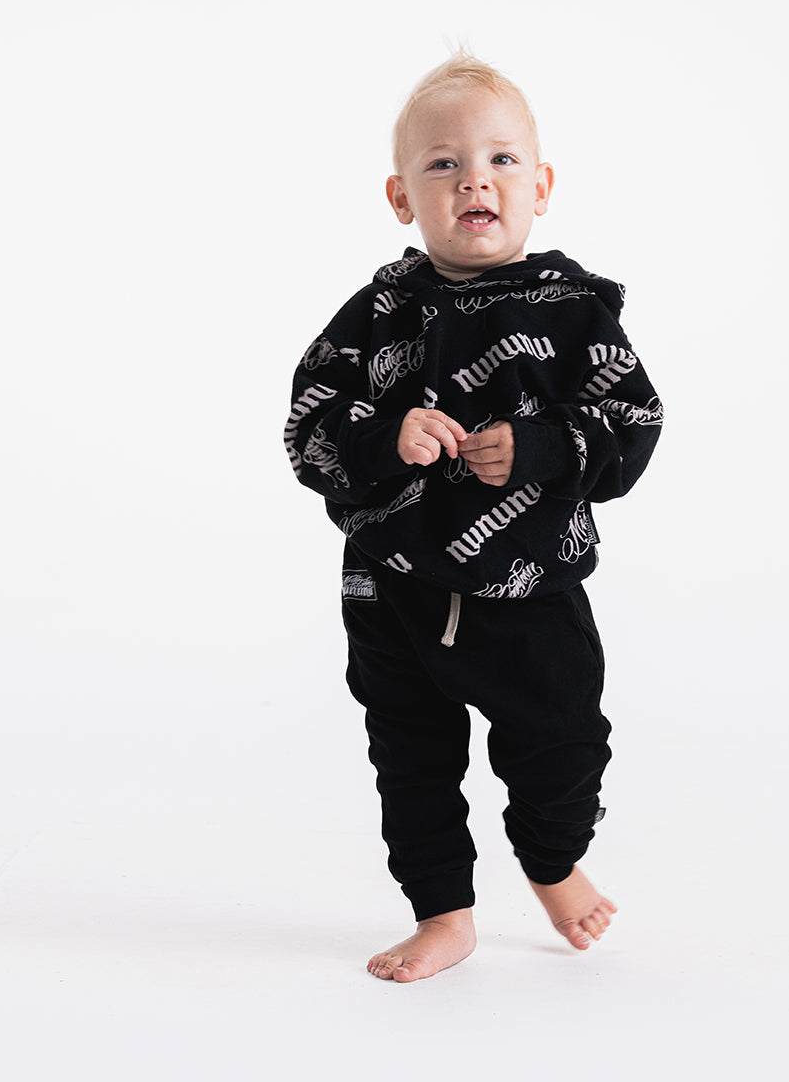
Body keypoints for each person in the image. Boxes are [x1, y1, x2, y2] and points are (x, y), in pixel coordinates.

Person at [284, 50, 662, 982]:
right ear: (401, 196)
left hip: (530, 594)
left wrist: (543, 447)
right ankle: (443, 912)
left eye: (500, 160)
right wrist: (386, 436)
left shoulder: (575, 314)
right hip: (394, 594)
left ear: (541, 185)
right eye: (443, 164)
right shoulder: (377, 313)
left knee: (564, 747)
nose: (474, 181)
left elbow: (633, 426)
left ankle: (552, 859)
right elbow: (307, 429)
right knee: (411, 761)